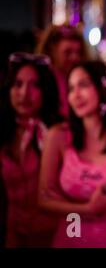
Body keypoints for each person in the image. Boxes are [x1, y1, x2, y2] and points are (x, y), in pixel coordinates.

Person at [38, 61, 106, 248]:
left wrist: (83, 212)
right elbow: (44, 199)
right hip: (69, 240)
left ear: (103, 87)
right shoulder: (58, 136)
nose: (76, 95)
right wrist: (88, 209)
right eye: (71, 88)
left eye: (83, 85)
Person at [0, 52, 62, 247]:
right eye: (17, 84)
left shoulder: (59, 132)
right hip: (13, 236)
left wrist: (73, 236)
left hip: (55, 236)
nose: (24, 93)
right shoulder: (4, 130)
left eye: (34, 85)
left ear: (46, 90)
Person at [36, 24, 89, 117]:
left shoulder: (85, 80)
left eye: (79, 52)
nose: (75, 58)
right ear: (52, 51)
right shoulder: (39, 82)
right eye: (68, 52)